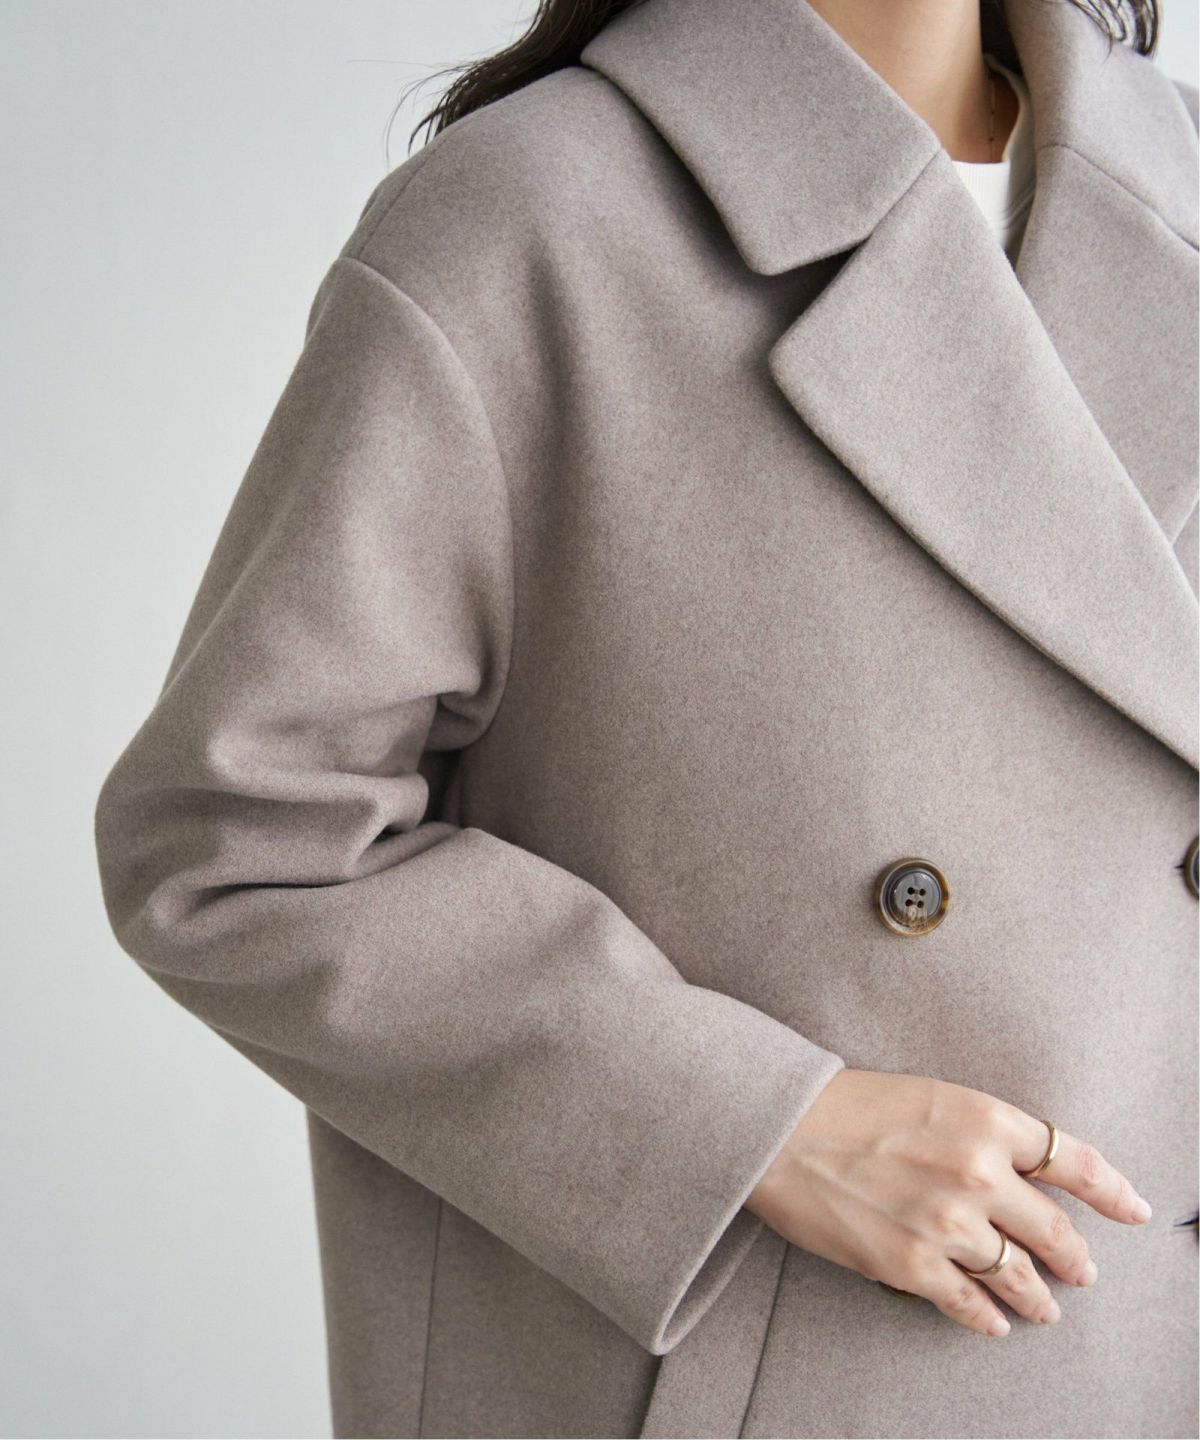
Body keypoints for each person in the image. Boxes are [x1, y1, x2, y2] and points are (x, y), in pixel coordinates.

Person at [93, 0, 1199, 1435]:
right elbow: (235, 845)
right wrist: (753, 1127)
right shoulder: (527, 220)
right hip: (799, 1357)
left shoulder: (1174, 188)